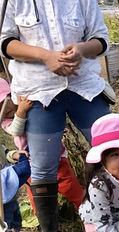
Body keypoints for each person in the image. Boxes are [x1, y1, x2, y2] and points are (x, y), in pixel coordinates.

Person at [0, 0, 112, 232]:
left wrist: (83, 48)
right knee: (43, 165)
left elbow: (101, 40)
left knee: (111, 145)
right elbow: (5, 43)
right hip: (38, 91)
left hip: (83, 86)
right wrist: (45, 56)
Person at [0, 78, 85, 214]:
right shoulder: (5, 121)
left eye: (3, 103)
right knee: (37, 195)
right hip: (30, 163)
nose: (2, 111)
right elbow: (16, 130)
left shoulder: (29, 103)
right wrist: (20, 112)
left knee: (70, 187)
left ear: (11, 95)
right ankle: (45, 221)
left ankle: (86, 210)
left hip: (54, 157)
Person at [0, 145, 44, 232]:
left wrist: (15, 155)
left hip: (11, 196)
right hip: (1, 203)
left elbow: (5, 153)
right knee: (5, 230)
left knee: (15, 225)